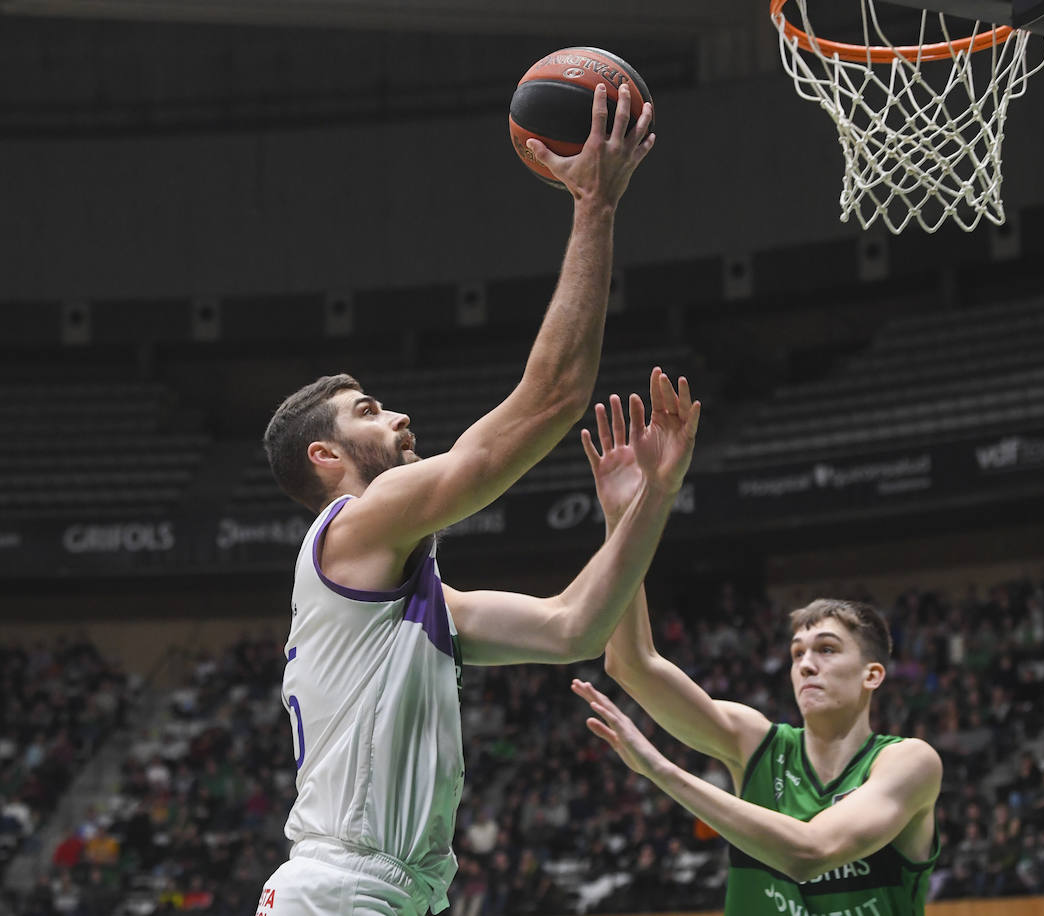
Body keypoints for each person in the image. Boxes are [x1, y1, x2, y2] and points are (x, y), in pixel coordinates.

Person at [257, 80, 680, 916]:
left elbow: (575, 630)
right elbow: (553, 395)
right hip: (340, 891)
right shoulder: (353, 524)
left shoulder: (415, 602)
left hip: (389, 894)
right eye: (369, 412)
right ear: (325, 456)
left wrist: (645, 501)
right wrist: (593, 205)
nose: (400, 414)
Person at [569, 397, 941, 915]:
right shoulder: (754, 744)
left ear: (872, 674)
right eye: (797, 653)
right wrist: (624, 520)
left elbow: (809, 853)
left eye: (827, 650)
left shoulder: (908, 763)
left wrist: (660, 769)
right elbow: (631, 664)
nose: (807, 664)